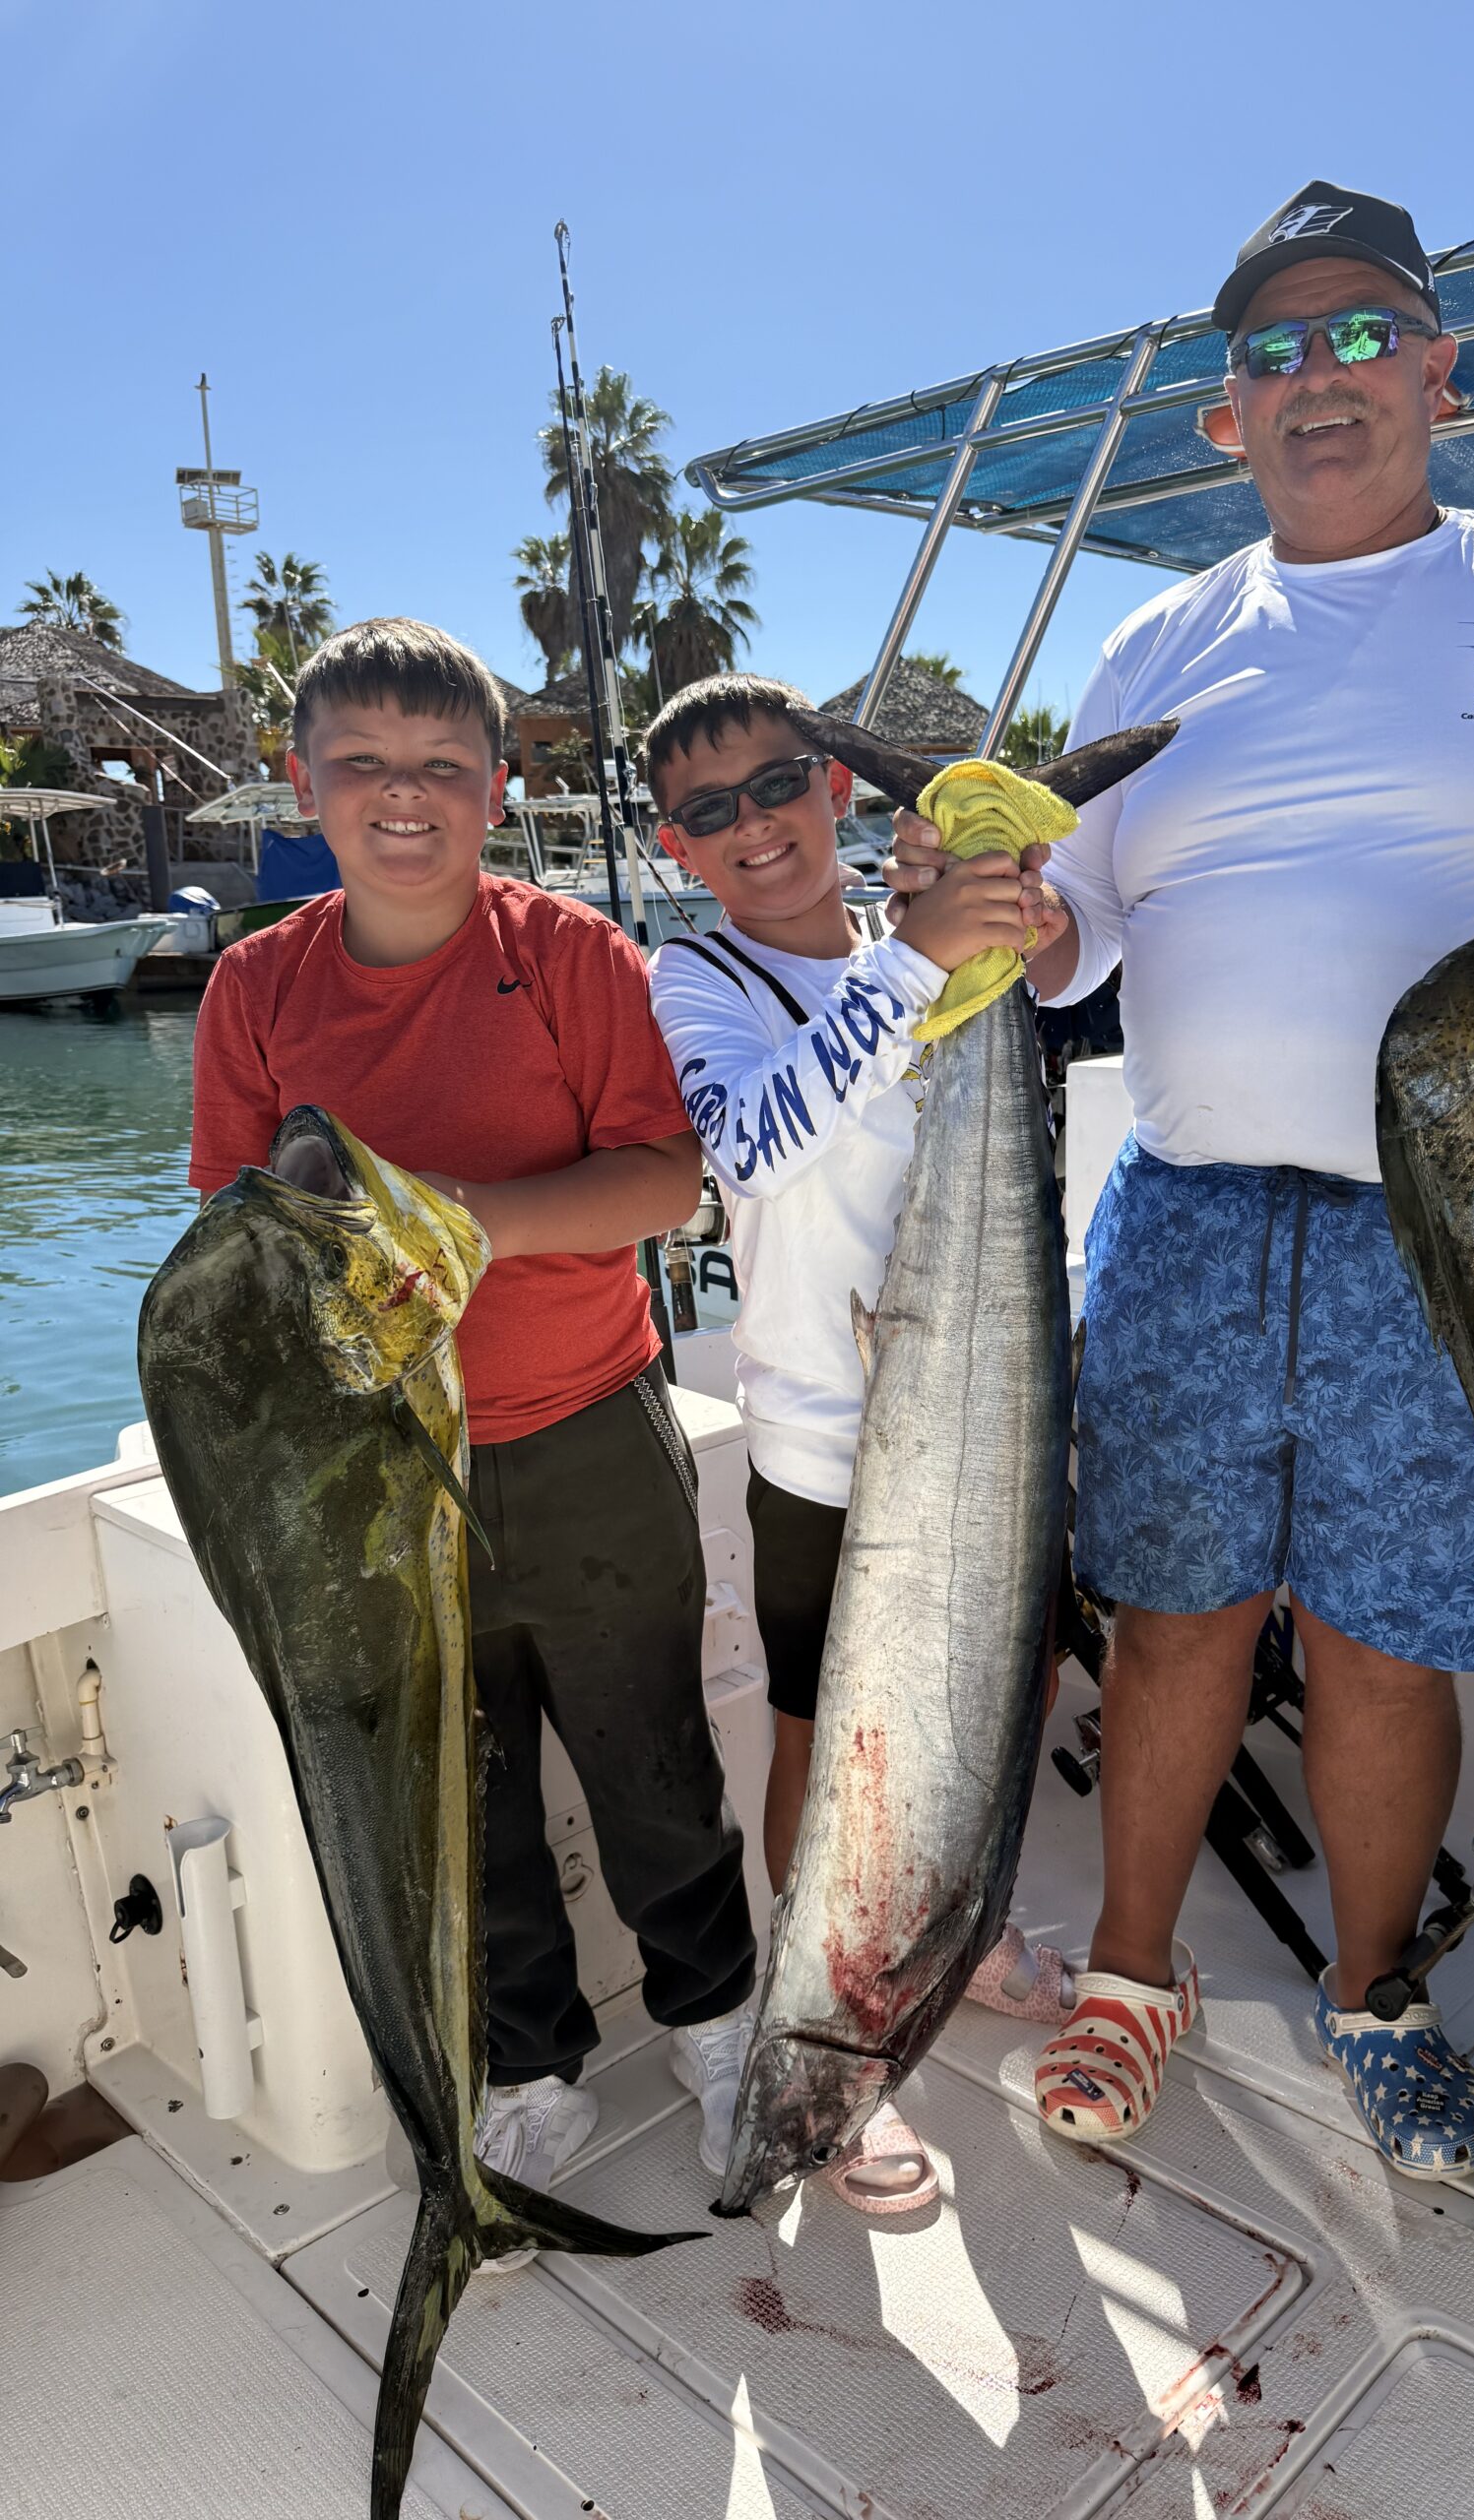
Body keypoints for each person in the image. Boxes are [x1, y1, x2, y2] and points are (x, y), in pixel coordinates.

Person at [886, 183, 1474, 2178]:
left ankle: (1371, 1984)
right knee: (1176, 1616)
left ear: (1442, 371)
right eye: (1274, 351)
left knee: (1391, 1638)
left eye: (1362, 334)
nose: (1319, 378)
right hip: (1196, 1212)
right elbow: (1073, 942)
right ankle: (1138, 1969)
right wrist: (981, 914)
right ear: (1227, 417)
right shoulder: (1161, 633)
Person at [187, 619, 755, 2246]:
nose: (403, 798)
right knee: (464, 1784)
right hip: (368, 1469)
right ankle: (532, 2061)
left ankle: (718, 2023)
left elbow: (664, 1181)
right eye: (362, 764)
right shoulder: (254, 985)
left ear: (500, 790)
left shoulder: (573, 957)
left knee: (652, 1753)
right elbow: (231, 1231)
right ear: (305, 785)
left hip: (579, 1425)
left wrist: (455, 1225)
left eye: (443, 767)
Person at [644, 672, 1078, 2211]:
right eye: (708, 811)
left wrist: (1006, 919)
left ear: (835, 794)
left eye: (777, 788)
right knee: (834, 1746)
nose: (751, 826)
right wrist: (916, 956)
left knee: (997, 1688)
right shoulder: (695, 981)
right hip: (828, 1455)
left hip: (993, 1399)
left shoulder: (946, 940)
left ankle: (973, 1925)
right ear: (674, 844)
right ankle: (818, 1997)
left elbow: (1087, 988)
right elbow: (751, 1145)